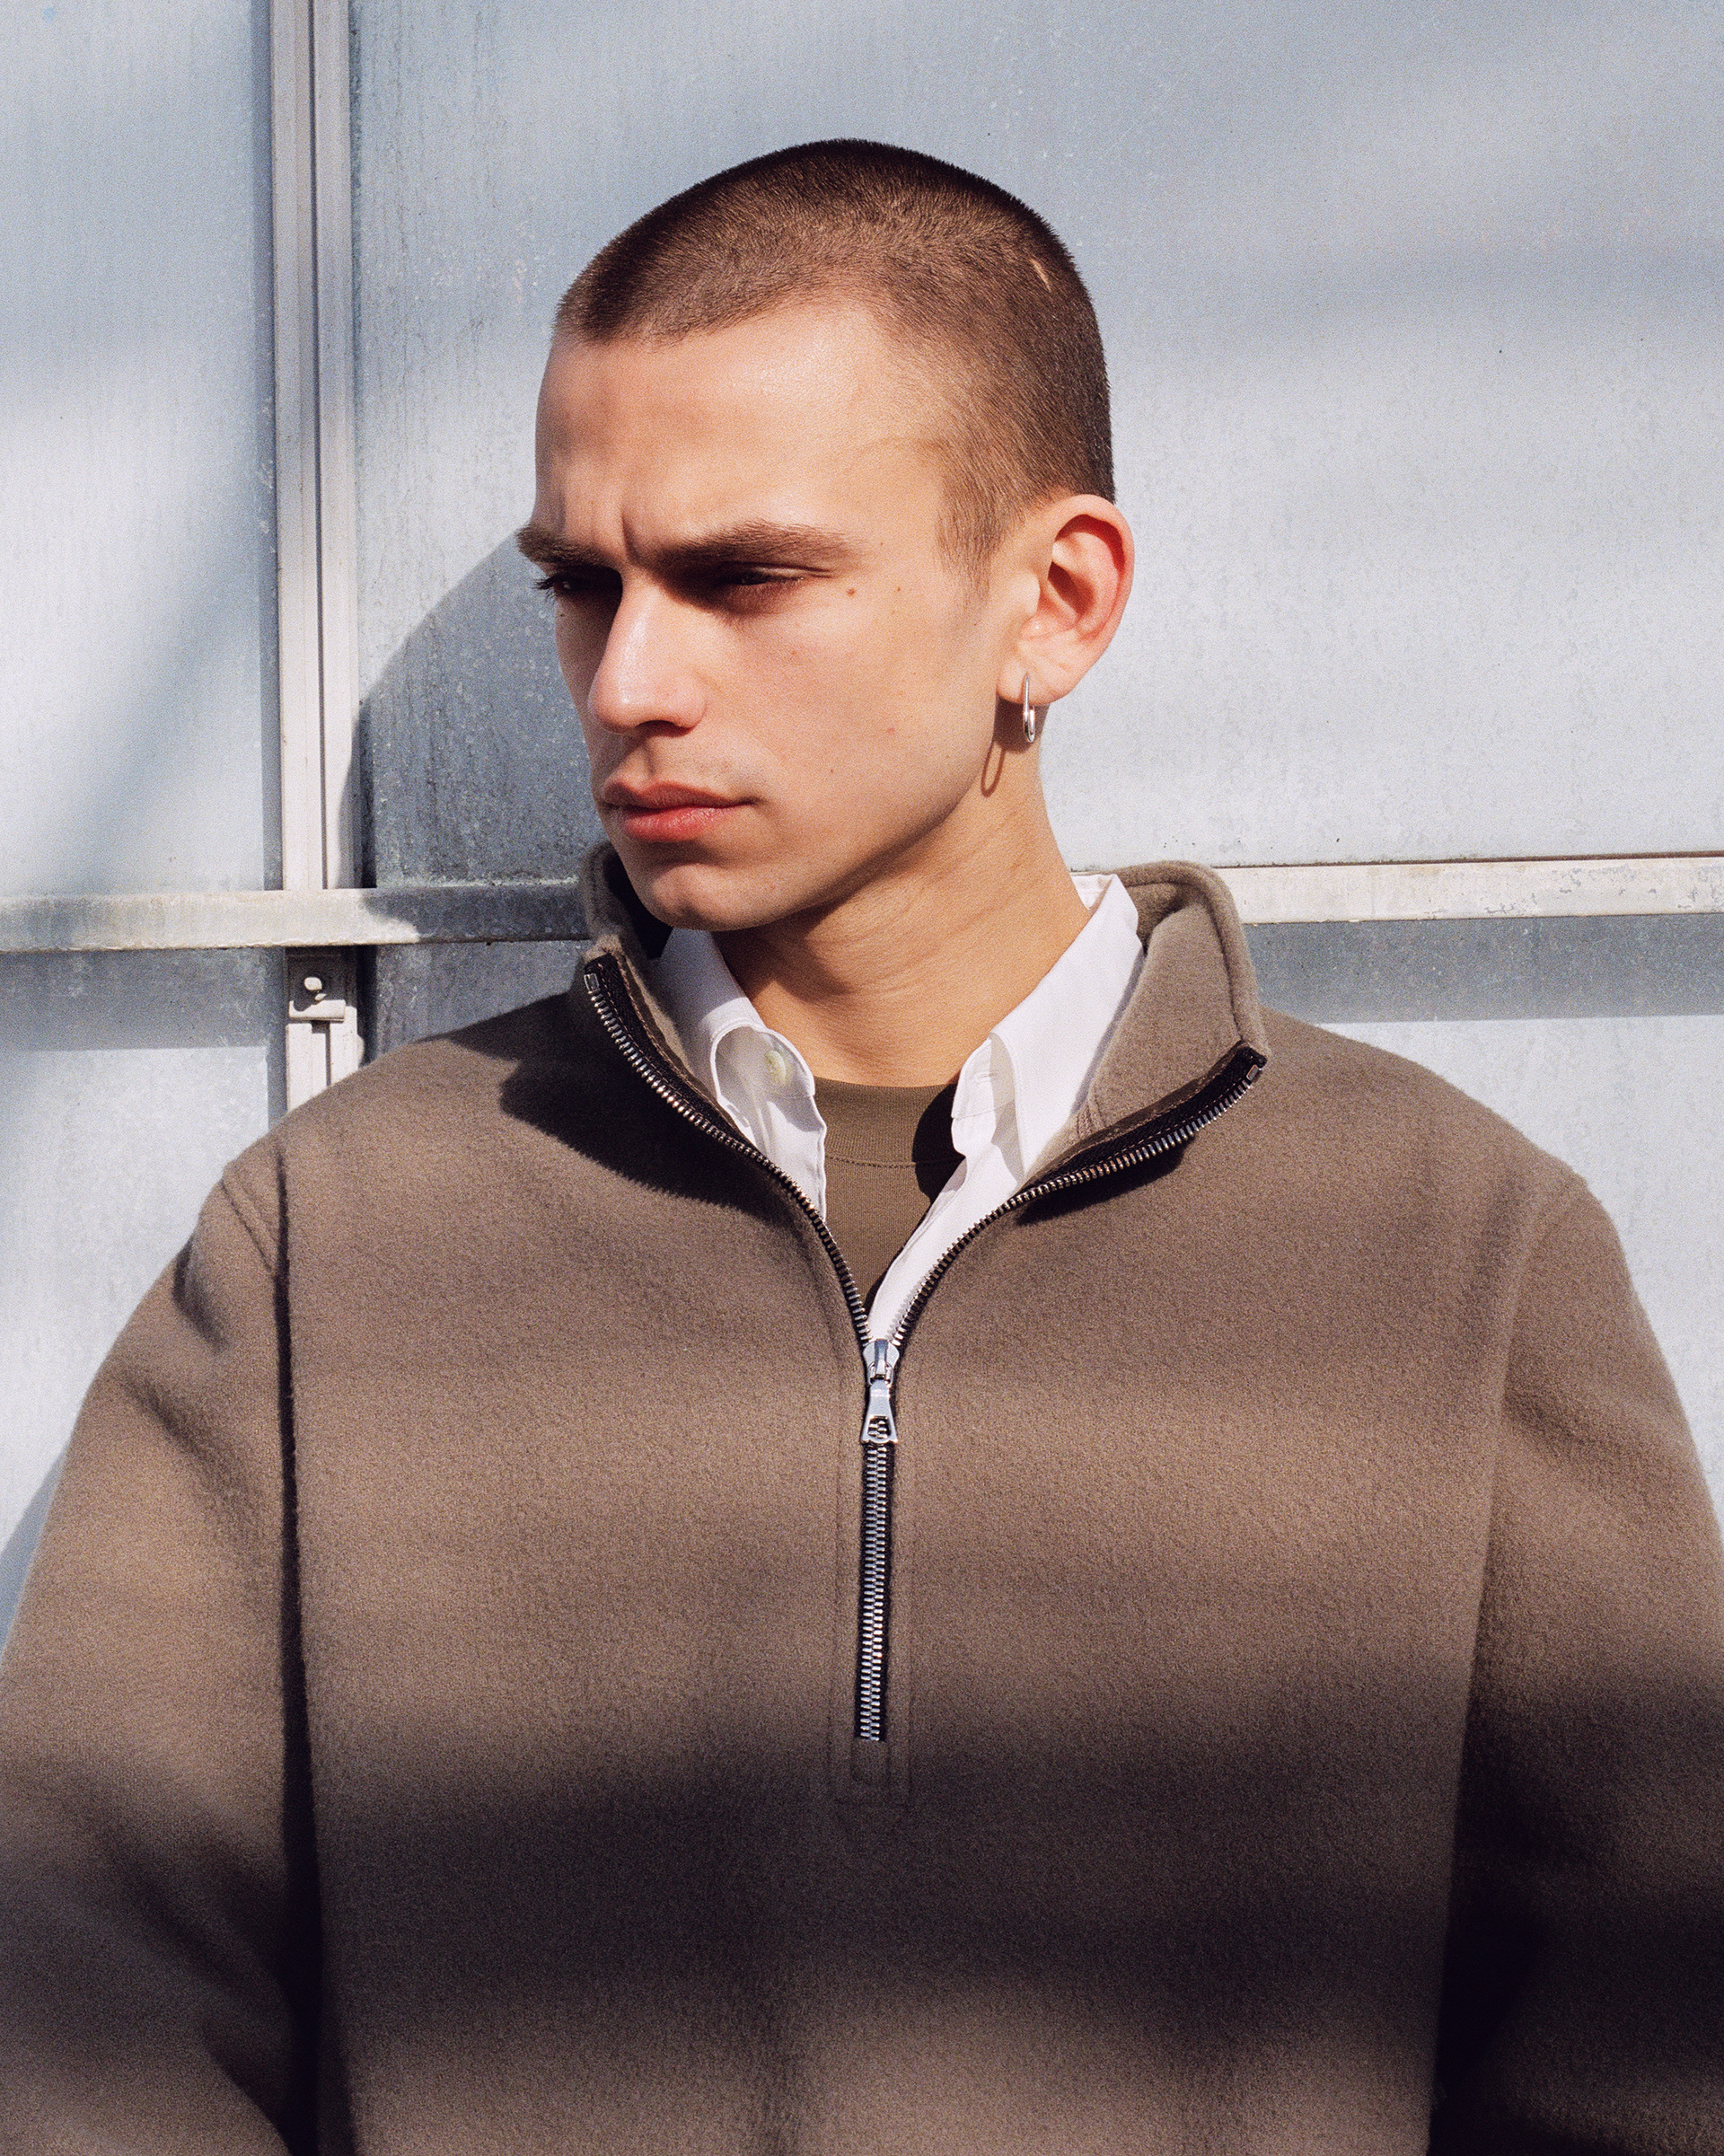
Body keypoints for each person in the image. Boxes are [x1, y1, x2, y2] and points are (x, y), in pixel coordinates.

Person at [2, 139, 1720, 2154]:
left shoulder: (1452, 1249)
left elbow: (1649, 2043)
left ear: (1054, 603)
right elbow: (83, 2016)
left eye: (741, 578)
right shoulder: (341, 1240)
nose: (628, 682)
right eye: (583, 584)